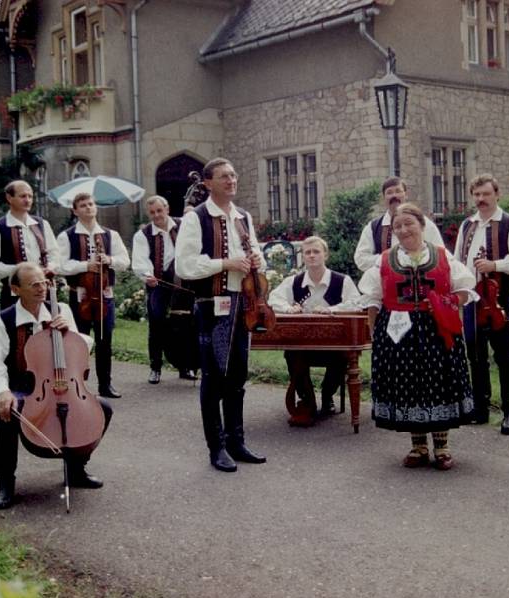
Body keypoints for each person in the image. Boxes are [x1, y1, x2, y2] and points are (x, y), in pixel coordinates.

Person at [0, 263, 113, 509]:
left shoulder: (61, 310)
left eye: (44, 283)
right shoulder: (2, 321)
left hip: (62, 385)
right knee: (6, 412)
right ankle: (6, 482)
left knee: (103, 408)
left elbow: (81, 350)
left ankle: (76, 468)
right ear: (16, 289)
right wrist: (2, 390)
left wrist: (69, 332)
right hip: (21, 389)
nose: (41, 288)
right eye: (34, 284)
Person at [359, 202, 476, 470]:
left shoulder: (442, 255)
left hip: (436, 330)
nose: (403, 230)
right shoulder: (385, 259)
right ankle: (418, 446)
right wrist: (374, 331)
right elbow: (372, 297)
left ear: (422, 226)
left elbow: (465, 288)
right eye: (398, 226)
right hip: (398, 331)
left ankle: (443, 447)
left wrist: (446, 305)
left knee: (438, 382)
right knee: (409, 385)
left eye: (409, 223)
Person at [175, 157, 267, 473]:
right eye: (224, 176)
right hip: (212, 304)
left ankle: (236, 442)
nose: (231, 180)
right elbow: (184, 266)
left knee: (238, 375)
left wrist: (256, 258)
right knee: (214, 377)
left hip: (243, 303)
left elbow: (256, 255)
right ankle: (217, 448)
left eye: (233, 175)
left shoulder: (243, 216)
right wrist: (225, 264)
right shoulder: (195, 218)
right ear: (208, 183)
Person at [454, 174, 509, 434]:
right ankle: (480, 408)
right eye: (477, 195)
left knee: (505, 355)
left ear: (497, 194)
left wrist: (494, 265)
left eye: (486, 194)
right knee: (476, 356)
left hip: (497, 300)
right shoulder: (467, 226)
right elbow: (457, 260)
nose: (481, 199)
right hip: (472, 300)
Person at [268, 235, 361, 425]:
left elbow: (357, 303)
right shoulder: (293, 282)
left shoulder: (342, 281)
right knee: (291, 355)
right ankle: (307, 399)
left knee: (341, 356)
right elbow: (273, 299)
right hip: (304, 344)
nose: (311, 256)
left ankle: (328, 396)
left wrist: (331, 310)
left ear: (325, 254)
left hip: (334, 344)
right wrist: (288, 308)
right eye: (307, 252)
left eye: (316, 251)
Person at [55, 193, 130, 399]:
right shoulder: (66, 236)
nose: (88, 208)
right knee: (78, 342)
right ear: (75, 210)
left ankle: (105, 385)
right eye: (83, 205)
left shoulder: (110, 234)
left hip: (105, 296)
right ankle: (77, 386)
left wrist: (109, 259)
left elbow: (125, 261)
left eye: (91, 204)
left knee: (105, 341)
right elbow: (60, 265)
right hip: (80, 297)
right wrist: (85, 265)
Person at [132, 195, 198, 384]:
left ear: (167, 209)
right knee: (157, 322)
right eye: (152, 212)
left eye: (160, 211)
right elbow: (140, 260)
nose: (157, 215)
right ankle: (155, 367)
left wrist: (193, 213)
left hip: (184, 283)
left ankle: (186, 366)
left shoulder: (183, 225)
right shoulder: (143, 235)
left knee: (187, 324)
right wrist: (147, 275)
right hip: (159, 283)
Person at [0, 180, 59, 309]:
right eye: (23, 196)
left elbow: (55, 254)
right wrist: (19, 271)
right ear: (9, 198)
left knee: (48, 327)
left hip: (45, 292)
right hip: (14, 295)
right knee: (18, 328)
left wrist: (50, 267)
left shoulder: (42, 224)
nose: (27, 200)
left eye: (30, 196)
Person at [354, 176, 445, 273]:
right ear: (384, 198)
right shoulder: (373, 227)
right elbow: (360, 258)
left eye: (398, 191)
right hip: (386, 284)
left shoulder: (424, 223)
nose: (394, 195)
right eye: (389, 192)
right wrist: (390, 260)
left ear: (406, 195)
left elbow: (440, 255)